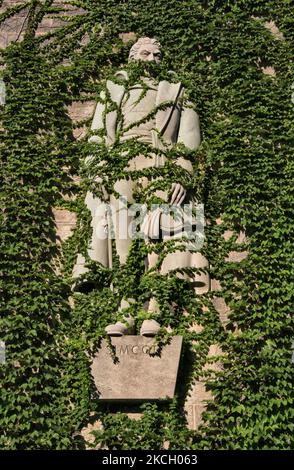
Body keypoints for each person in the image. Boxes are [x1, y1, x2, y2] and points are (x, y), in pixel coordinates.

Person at [73, 37, 209, 336]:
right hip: (120, 163)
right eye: (144, 53)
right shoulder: (113, 88)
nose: (150, 60)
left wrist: (183, 170)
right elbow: (97, 133)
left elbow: (189, 136)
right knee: (124, 238)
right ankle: (126, 308)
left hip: (160, 162)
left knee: (158, 238)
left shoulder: (177, 90)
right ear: (132, 56)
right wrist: (97, 171)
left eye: (156, 55)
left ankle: (156, 310)